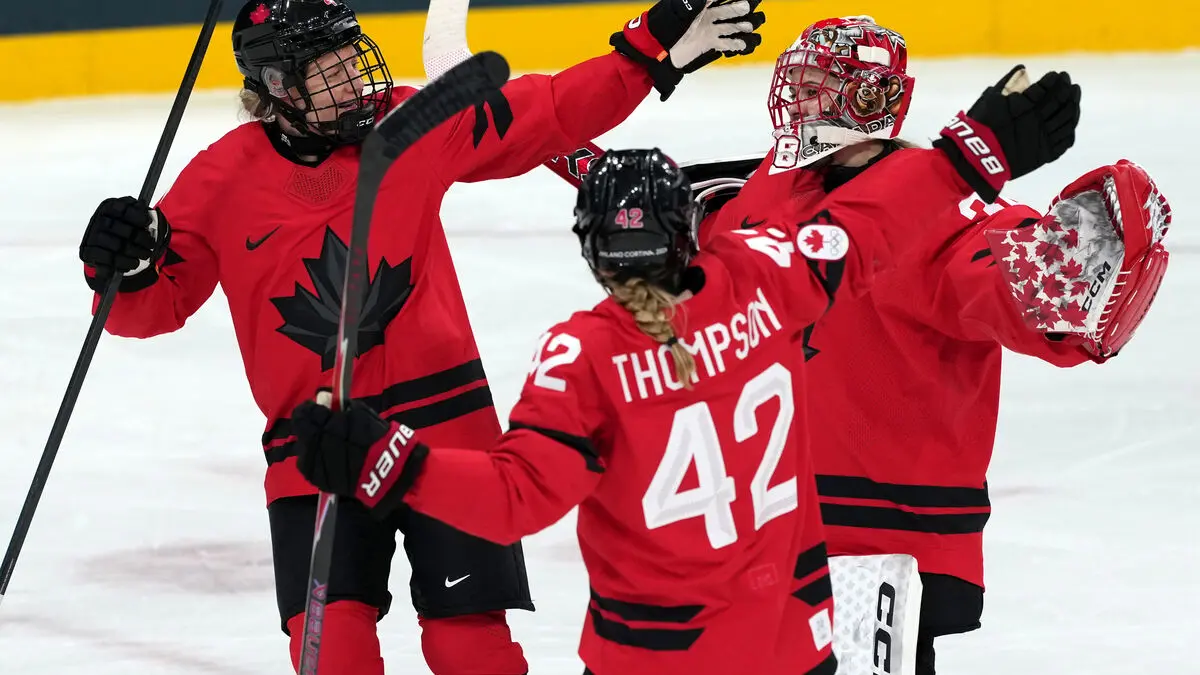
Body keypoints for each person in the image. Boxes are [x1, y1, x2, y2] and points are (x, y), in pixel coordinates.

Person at [74, 0, 768, 672]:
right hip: (317, 444)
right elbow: (151, 309)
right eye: (331, 65)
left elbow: (545, 112)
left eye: (353, 52)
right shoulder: (219, 178)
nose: (356, 72)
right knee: (331, 652)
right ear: (279, 87)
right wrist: (122, 267)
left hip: (448, 432)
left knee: (470, 650)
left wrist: (647, 53)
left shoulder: (408, 122)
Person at [282, 138, 1002, 675]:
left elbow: (514, 498)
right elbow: (863, 222)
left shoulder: (586, 356)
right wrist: (973, 149)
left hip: (659, 655)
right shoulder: (762, 280)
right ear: (688, 233)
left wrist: (387, 463)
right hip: (792, 641)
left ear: (592, 250)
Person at [691, 15, 1171, 674]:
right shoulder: (772, 189)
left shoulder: (941, 211)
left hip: (879, 540)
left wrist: (1071, 272)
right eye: (797, 82)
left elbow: (1019, 291)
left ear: (867, 99)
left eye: (818, 85)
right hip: (760, 531)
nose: (797, 101)